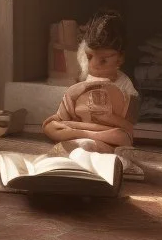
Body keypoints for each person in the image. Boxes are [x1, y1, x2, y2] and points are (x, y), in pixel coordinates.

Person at [42, 9, 139, 153]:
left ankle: (83, 141)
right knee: (49, 125)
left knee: (122, 137)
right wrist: (73, 96)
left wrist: (108, 117)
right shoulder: (84, 82)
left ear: (120, 58)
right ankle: (83, 139)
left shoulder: (125, 86)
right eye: (89, 57)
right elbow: (64, 115)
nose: (93, 64)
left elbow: (129, 127)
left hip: (105, 132)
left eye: (103, 60)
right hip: (78, 127)